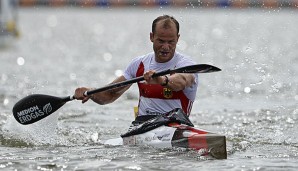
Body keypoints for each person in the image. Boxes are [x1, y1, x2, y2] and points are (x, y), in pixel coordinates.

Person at [74, 15, 198, 122]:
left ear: (178, 38)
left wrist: (161, 80)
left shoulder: (186, 65)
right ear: (151, 37)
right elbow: (109, 94)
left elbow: (182, 81)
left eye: (171, 42)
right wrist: (90, 92)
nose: (166, 47)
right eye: (161, 41)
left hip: (177, 126)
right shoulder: (139, 64)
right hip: (142, 127)